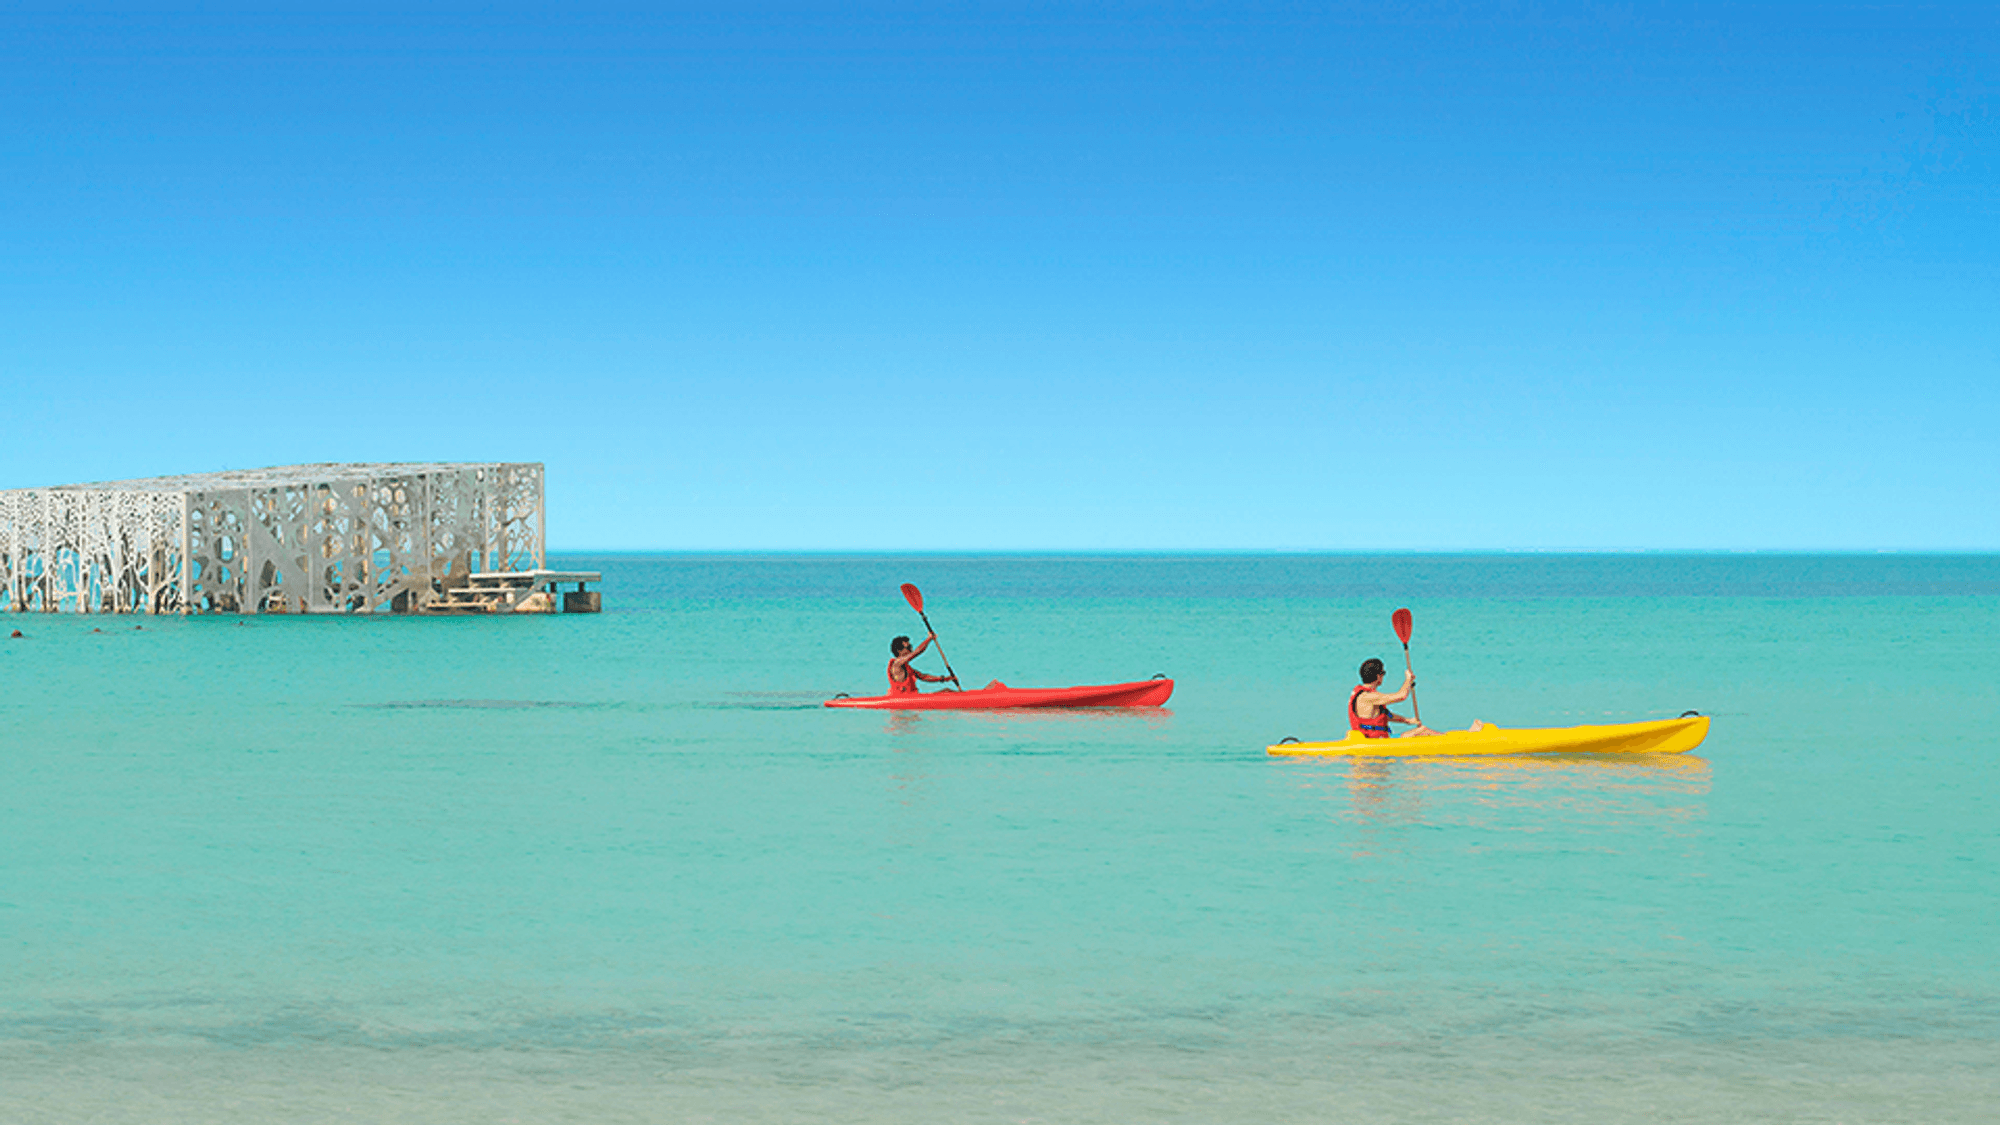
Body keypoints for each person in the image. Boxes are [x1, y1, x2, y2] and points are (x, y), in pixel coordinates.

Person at [1349, 657, 1440, 738]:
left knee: (1420, 732)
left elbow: (1386, 715)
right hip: (1376, 742)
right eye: (1383, 673)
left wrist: (1407, 720)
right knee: (1422, 730)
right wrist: (1408, 680)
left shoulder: (1367, 696)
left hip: (1378, 739)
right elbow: (1402, 696)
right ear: (1378, 676)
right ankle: (1449, 742)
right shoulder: (1368, 697)